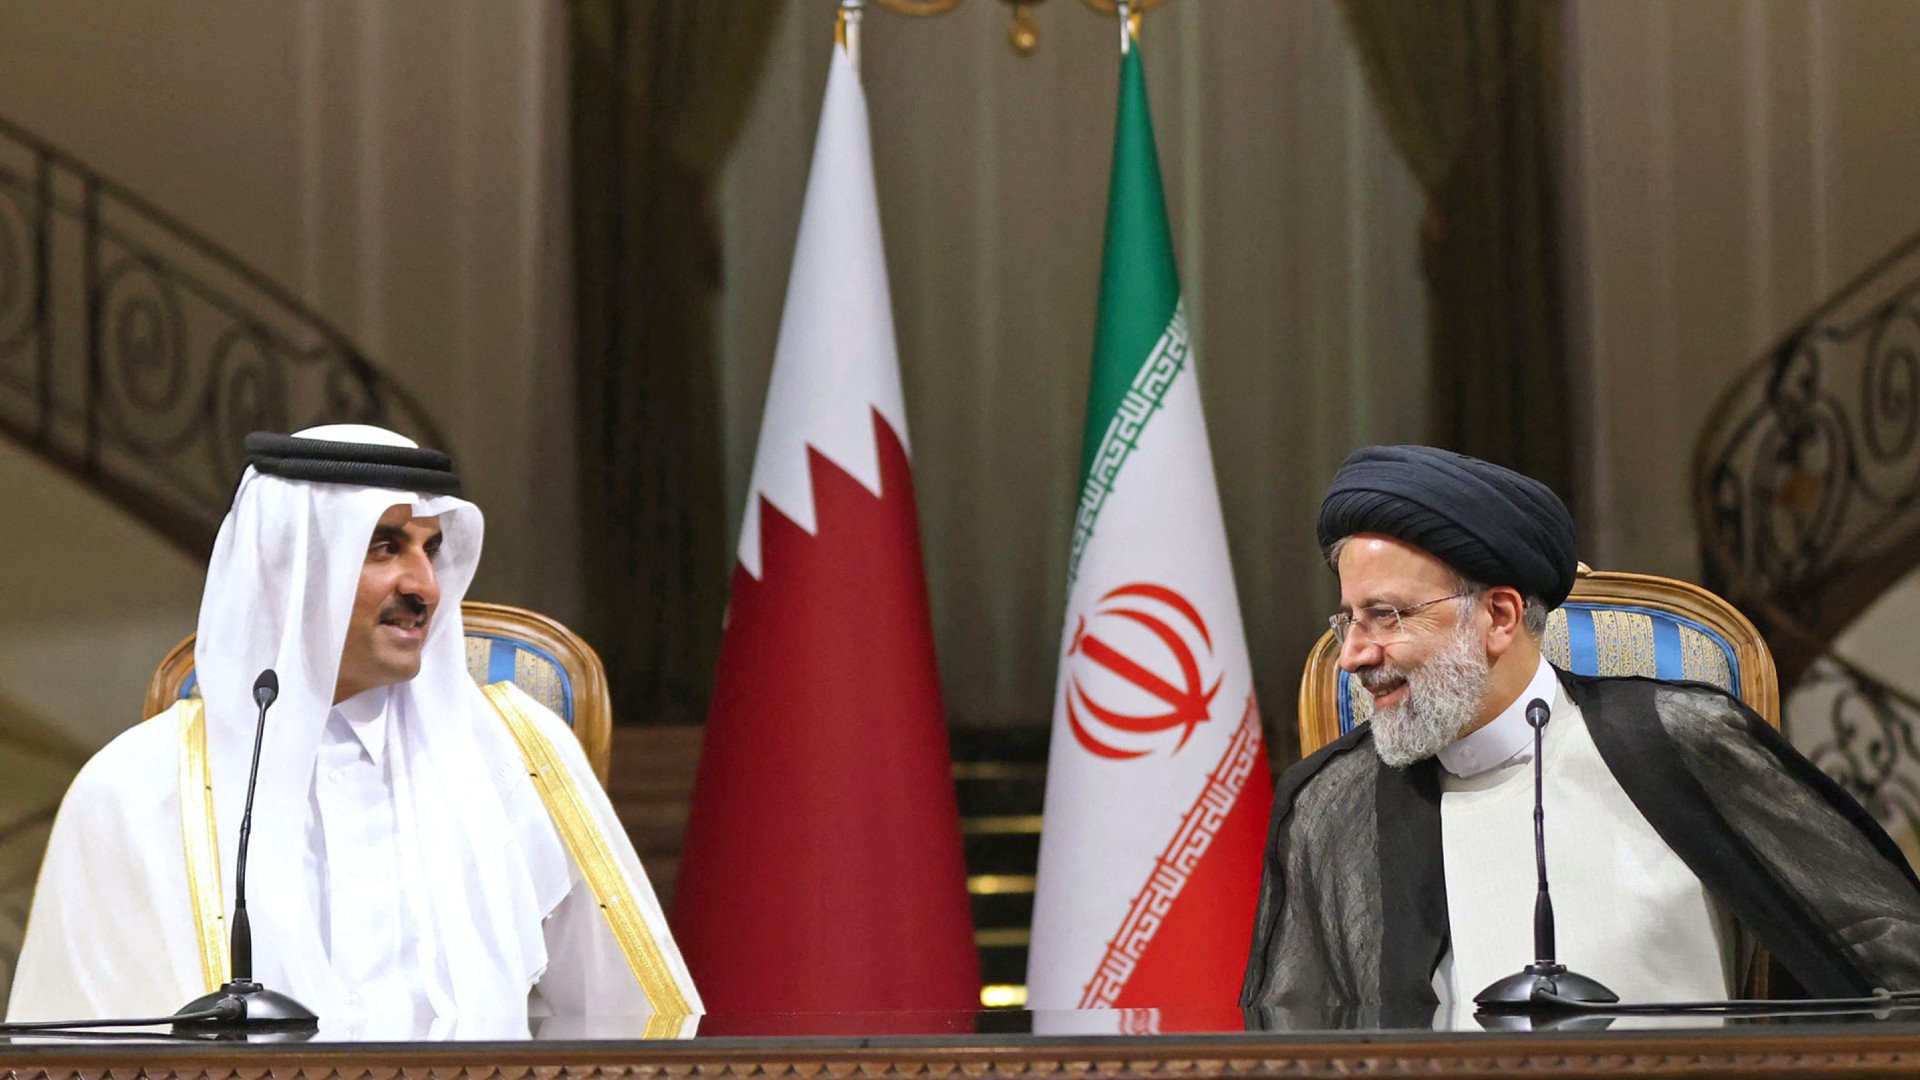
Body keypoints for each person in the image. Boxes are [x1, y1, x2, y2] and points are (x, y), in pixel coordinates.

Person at [8, 425, 698, 1038]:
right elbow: (78, 1049)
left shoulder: (521, 756)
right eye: (384, 546)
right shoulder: (134, 790)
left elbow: (630, 1017)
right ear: (293, 567)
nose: (424, 583)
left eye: (430, 548)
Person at [1241, 444, 1920, 1018]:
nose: (1356, 653)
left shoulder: (1678, 741)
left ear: (1499, 617)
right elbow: (1296, 1034)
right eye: (1349, 620)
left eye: (1386, 616)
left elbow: (1887, 947)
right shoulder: (1332, 801)